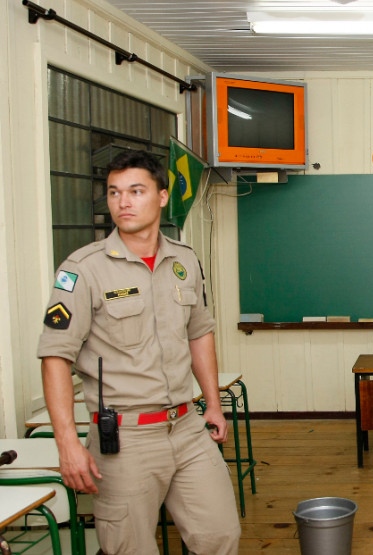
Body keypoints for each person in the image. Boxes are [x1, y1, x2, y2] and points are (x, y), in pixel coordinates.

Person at [37, 149, 240, 554]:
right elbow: (55, 356)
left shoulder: (184, 260)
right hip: (125, 439)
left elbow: (199, 333)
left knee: (220, 535)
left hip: (186, 427)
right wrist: (67, 443)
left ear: (162, 196)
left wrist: (213, 405)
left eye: (135, 191)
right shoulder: (83, 269)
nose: (123, 202)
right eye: (114, 193)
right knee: (130, 548)